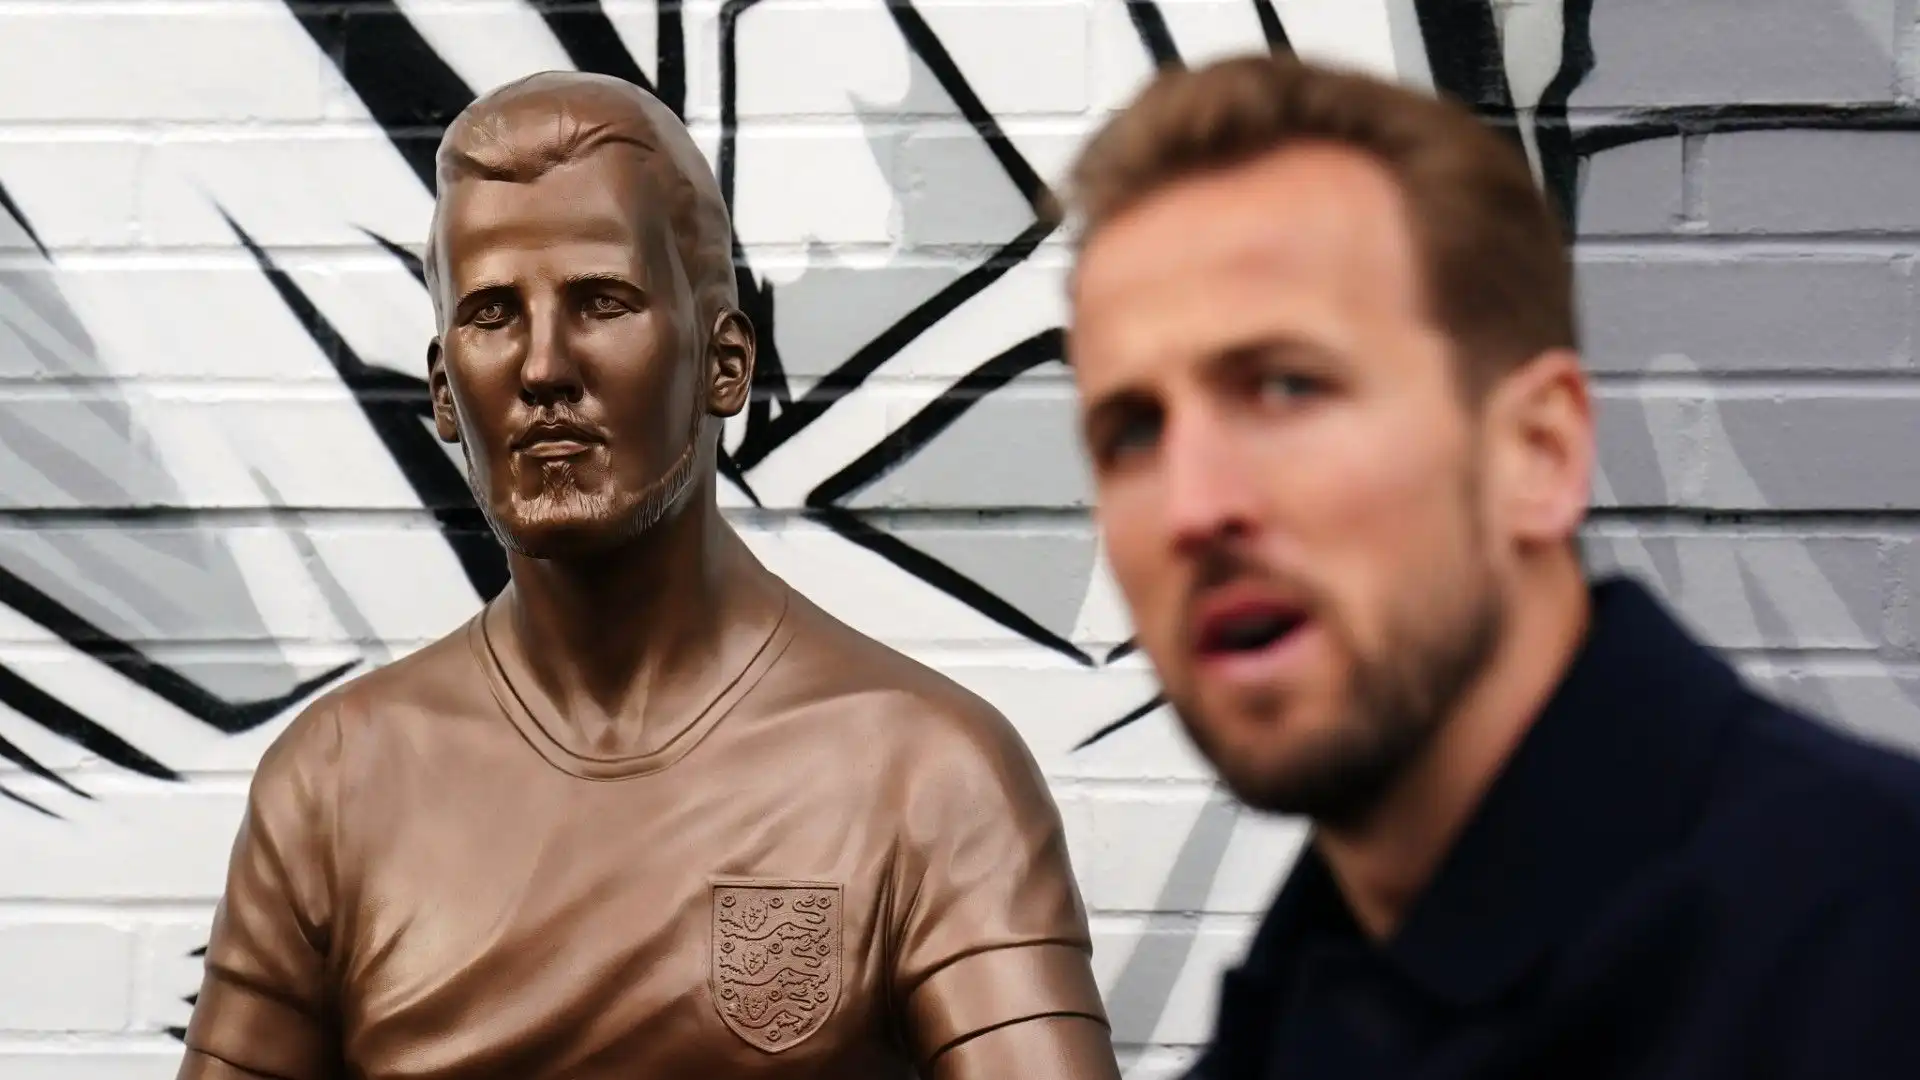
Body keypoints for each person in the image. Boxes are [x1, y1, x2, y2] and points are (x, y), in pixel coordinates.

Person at [178, 72, 1119, 1080]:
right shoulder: (333, 788)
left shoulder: (926, 779)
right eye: (494, 313)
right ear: (446, 393)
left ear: (725, 363)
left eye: (601, 301)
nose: (543, 367)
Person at [1060, 52, 1920, 1080]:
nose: (1194, 508)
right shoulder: (1299, 1017)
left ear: (1539, 453)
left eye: (1286, 386)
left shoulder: (1869, 949)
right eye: (1131, 433)